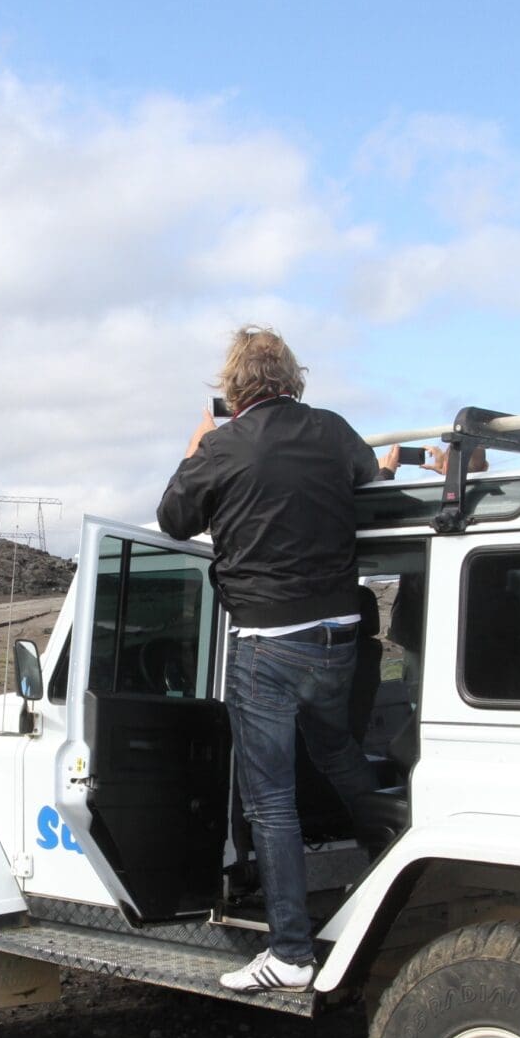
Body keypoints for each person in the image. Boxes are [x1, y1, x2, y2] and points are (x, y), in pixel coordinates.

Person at [157, 326, 393, 993]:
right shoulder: (333, 430)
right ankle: (389, 850)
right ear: (293, 377)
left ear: (233, 386)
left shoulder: (223, 446)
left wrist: (196, 447)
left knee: (272, 801)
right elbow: (369, 478)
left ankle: (290, 951)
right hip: (336, 636)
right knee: (338, 750)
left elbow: (174, 518)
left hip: (266, 644)